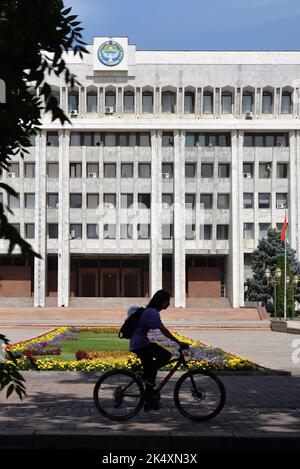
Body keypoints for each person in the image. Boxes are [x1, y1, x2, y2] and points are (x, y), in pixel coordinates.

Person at [129, 289, 189, 411]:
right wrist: (178, 342)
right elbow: (163, 330)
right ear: (161, 301)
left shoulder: (151, 311)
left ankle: (149, 402)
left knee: (151, 374)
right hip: (140, 344)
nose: (169, 304)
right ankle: (145, 375)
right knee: (166, 355)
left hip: (138, 343)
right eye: (168, 301)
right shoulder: (152, 312)